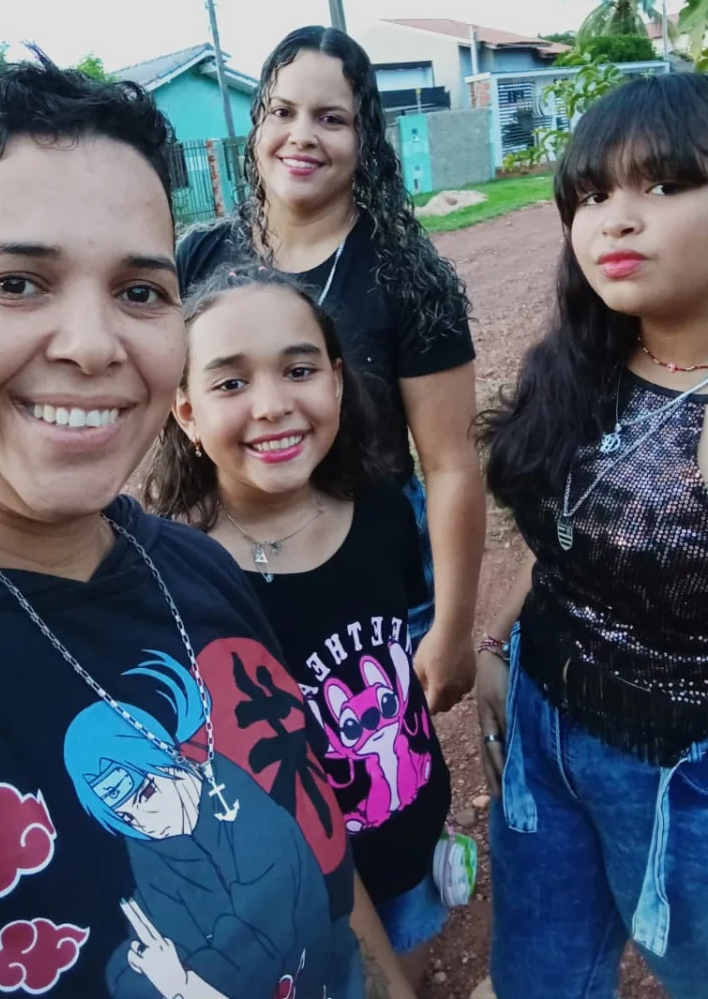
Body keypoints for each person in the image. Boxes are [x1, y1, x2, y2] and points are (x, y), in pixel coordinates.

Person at [0, 55, 417, 999]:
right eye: (17, 283)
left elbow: (316, 839)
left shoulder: (194, 567)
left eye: (141, 292)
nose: (93, 344)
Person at [476, 73, 708, 999]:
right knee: (540, 976)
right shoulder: (585, 359)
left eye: (664, 186)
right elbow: (560, 536)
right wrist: (496, 645)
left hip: (694, 787)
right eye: (592, 195)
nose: (615, 221)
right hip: (541, 724)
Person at [145, 264, 473, 990]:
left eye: (299, 370)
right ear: (186, 411)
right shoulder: (178, 576)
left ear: (337, 381)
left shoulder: (385, 509)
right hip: (290, 898)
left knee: (405, 970)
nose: (272, 406)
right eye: (231, 382)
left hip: (409, 836)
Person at [177, 26, 485, 715]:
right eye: (282, 111)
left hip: (374, 567)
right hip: (234, 558)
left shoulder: (410, 279)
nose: (302, 136)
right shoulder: (201, 258)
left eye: (331, 118)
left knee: (373, 746)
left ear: (364, 136)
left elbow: (450, 465)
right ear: (258, 125)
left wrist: (452, 628)